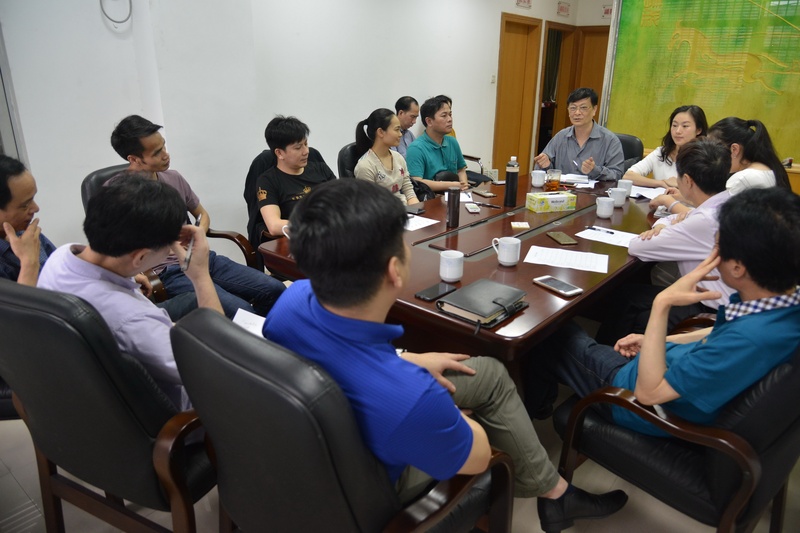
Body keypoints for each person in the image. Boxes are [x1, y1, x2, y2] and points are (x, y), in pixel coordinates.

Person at [262, 178, 627, 532]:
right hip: (373, 478)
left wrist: (406, 359)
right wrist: (447, 414)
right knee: (476, 417)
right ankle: (557, 496)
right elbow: (478, 456)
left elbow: (335, 360)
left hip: (326, 438)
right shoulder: (412, 400)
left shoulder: (291, 301)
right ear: (394, 271)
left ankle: (555, 494)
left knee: (489, 374)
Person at [527, 187, 800, 437]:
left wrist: (663, 303)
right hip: (666, 370)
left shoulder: (748, 339)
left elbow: (648, 394)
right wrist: (656, 340)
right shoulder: (784, 303)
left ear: (738, 268)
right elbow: (717, 333)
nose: (712, 254)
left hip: (637, 400)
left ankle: (532, 414)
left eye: (717, 247)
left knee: (547, 331)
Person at [38, 177, 224, 410]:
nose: (173, 250)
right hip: (190, 414)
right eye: (170, 247)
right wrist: (201, 276)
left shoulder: (63, 256)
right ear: (140, 257)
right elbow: (216, 369)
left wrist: (130, 276)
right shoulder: (133, 320)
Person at [110, 114, 285, 318]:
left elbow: (201, 213)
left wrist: (198, 235)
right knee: (241, 310)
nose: (166, 155)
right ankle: (244, 333)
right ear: (133, 159)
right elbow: (113, 245)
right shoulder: (116, 192)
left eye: (164, 146)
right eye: (157, 153)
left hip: (203, 260)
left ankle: (259, 331)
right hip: (167, 272)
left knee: (275, 290)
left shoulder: (173, 178)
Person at [594, 138, 734, 345]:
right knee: (628, 293)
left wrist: (664, 226)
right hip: (726, 300)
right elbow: (677, 217)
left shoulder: (704, 220)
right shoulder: (726, 202)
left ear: (687, 181)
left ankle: (608, 355)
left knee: (626, 298)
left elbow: (638, 246)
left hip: (711, 308)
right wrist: (664, 225)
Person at [256, 115, 336, 235]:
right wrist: (315, 226)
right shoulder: (268, 181)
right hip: (300, 238)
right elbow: (274, 225)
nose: (306, 151)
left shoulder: (321, 169)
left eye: (306, 144)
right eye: (298, 148)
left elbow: (342, 203)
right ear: (279, 153)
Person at [533, 87, 624, 181]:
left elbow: (617, 174)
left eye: (583, 108)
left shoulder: (610, 140)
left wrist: (595, 170)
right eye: (573, 108)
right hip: (562, 189)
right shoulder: (560, 137)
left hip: (594, 190)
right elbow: (540, 169)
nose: (577, 113)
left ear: (594, 110)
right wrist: (546, 165)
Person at [0, 155, 54, 286]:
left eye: (33, 199)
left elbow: (63, 274)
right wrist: (29, 264)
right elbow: (18, 301)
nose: (36, 208)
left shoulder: (25, 233)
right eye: (25, 205)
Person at [624, 105, 708, 189]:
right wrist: (661, 183)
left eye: (685, 126)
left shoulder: (705, 158)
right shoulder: (661, 153)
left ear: (698, 130)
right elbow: (628, 176)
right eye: (674, 125)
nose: (678, 131)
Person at [707, 117, 791, 195]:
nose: (710, 155)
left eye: (713, 149)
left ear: (735, 149)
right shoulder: (767, 168)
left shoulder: (741, 180)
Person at [405, 96, 471, 192]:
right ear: (429, 121)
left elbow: (461, 170)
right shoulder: (416, 148)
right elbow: (417, 182)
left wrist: (463, 186)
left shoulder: (452, 142)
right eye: (444, 116)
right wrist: (452, 185)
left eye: (450, 114)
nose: (450, 119)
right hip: (430, 196)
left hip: (454, 193)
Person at [354, 108, 418, 205]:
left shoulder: (398, 157)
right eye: (397, 130)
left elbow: (409, 191)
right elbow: (370, 205)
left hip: (405, 209)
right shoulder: (365, 166)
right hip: (384, 212)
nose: (400, 134)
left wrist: (417, 210)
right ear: (381, 132)